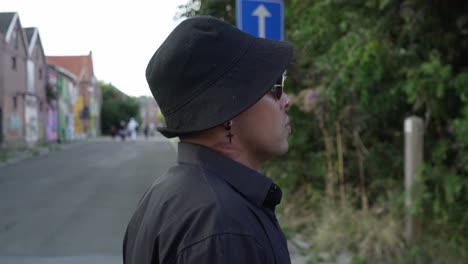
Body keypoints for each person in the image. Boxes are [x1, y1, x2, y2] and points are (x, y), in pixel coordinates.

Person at [123, 16, 293, 264]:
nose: (286, 100)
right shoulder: (225, 228)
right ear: (228, 109)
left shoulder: (164, 195)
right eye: (275, 87)